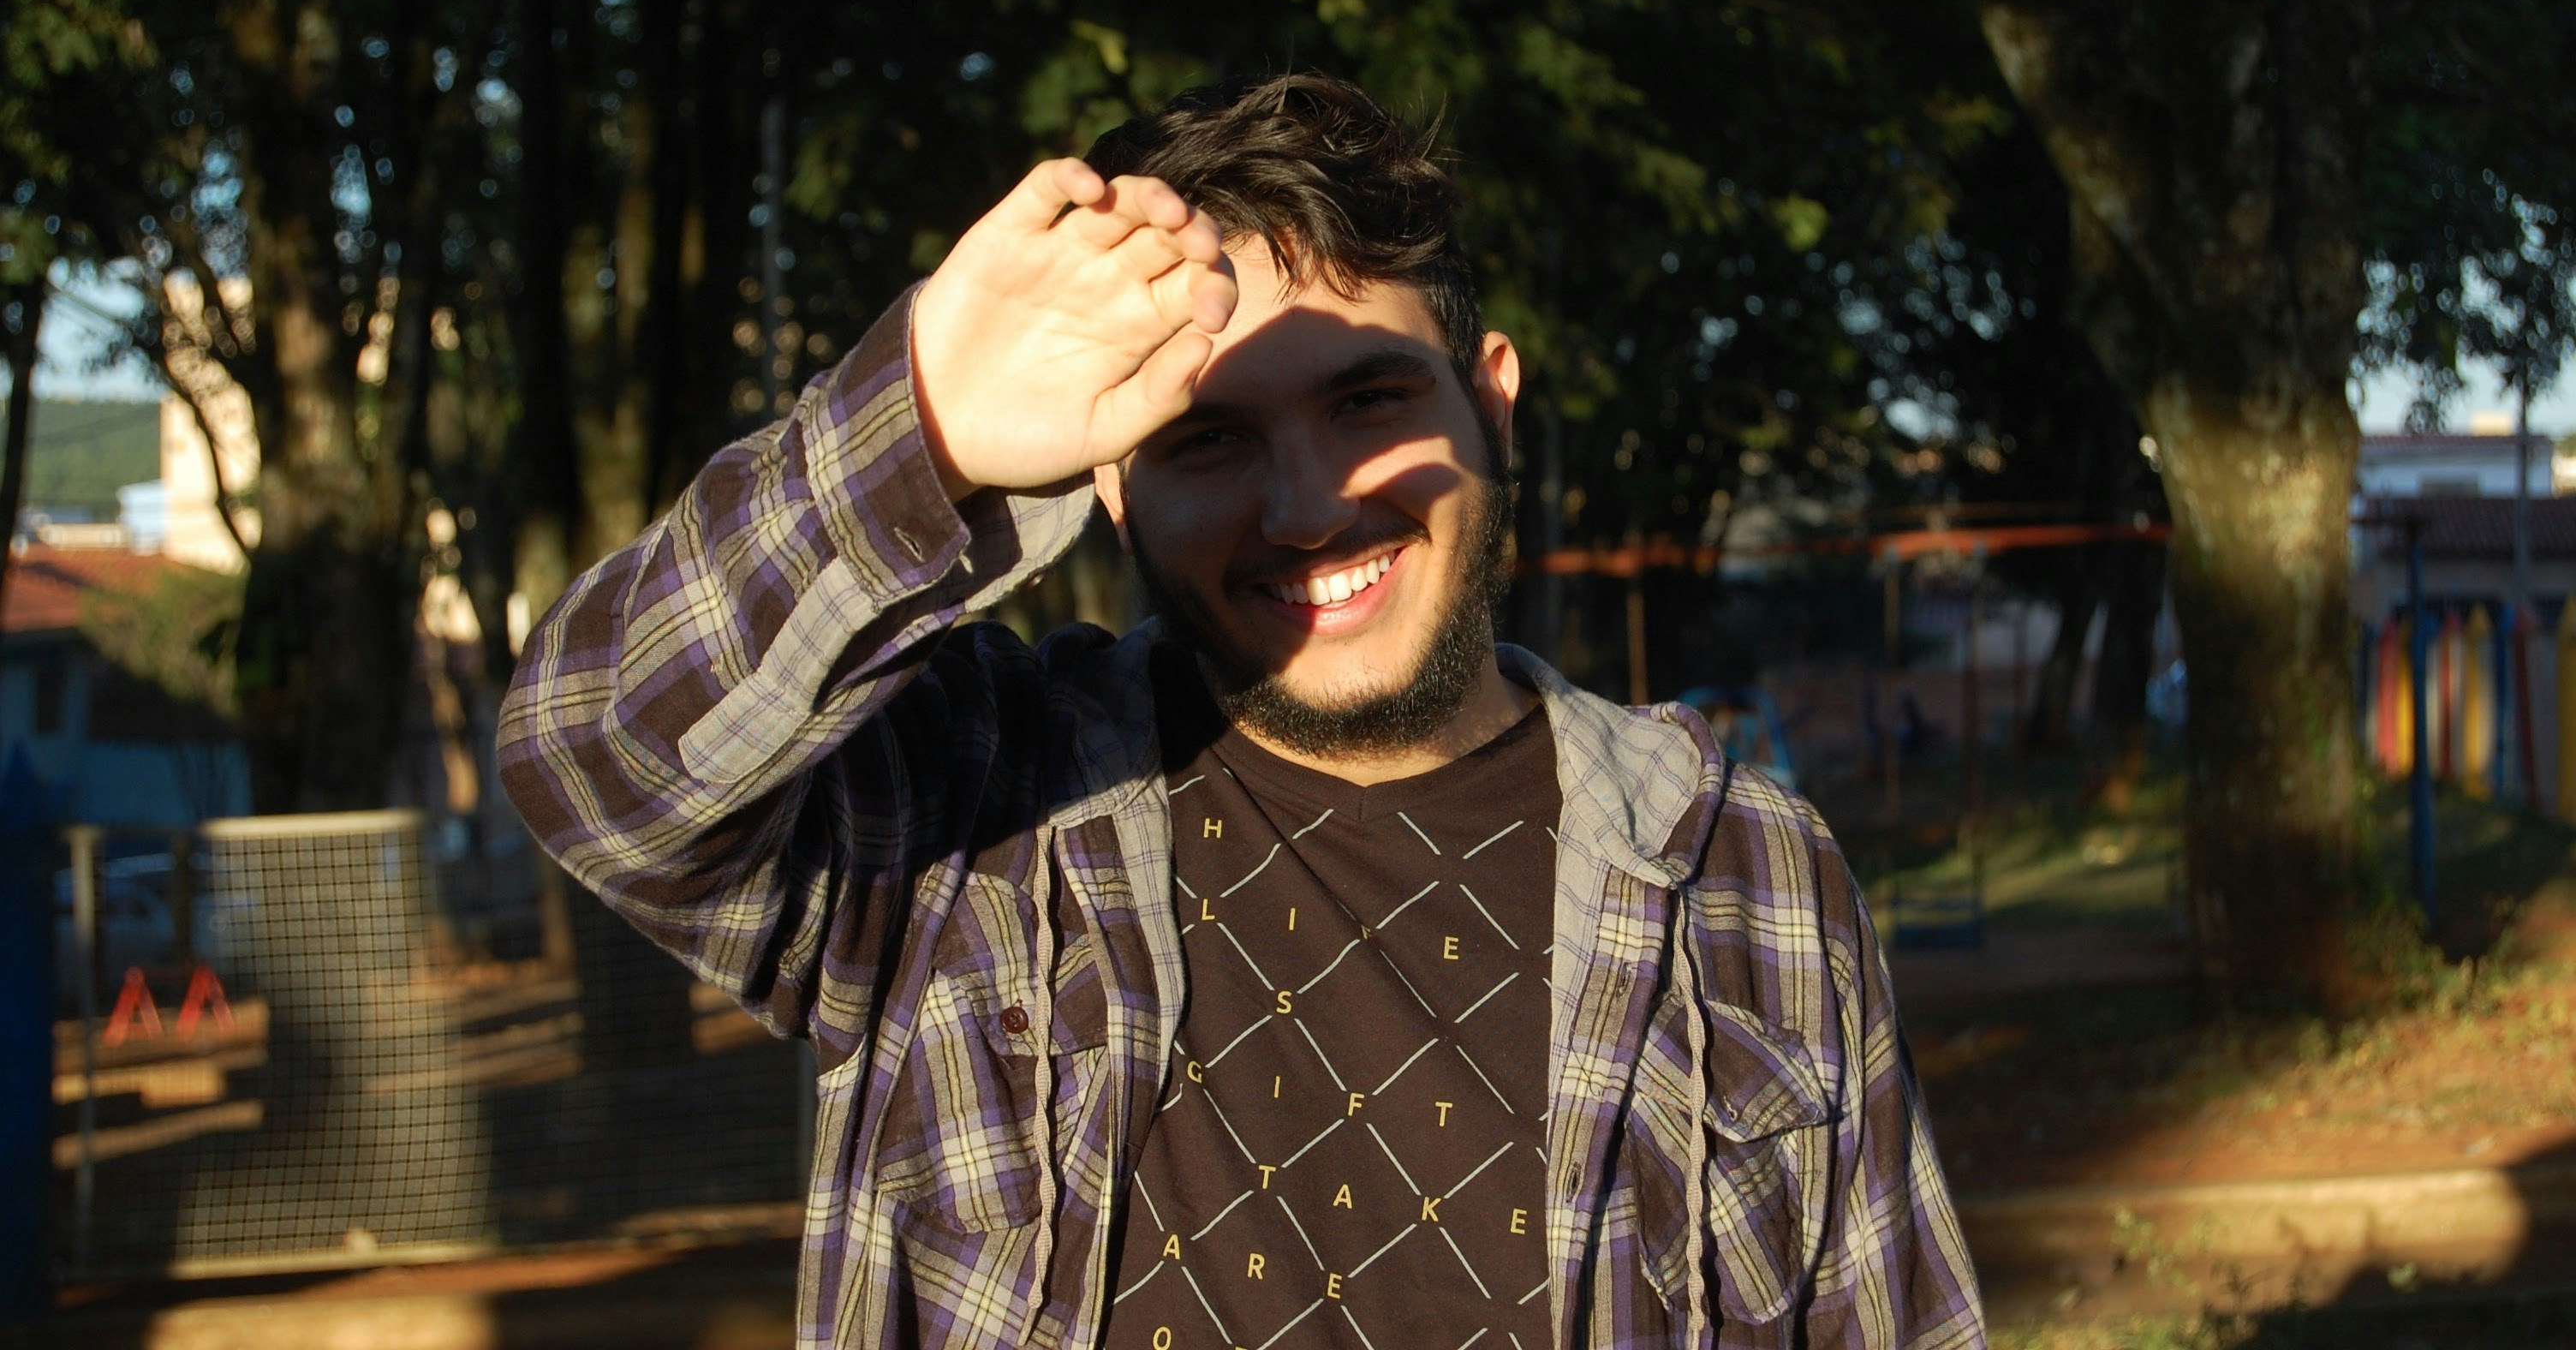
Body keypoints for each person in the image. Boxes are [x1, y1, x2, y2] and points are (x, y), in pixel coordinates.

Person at [499, 74, 1983, 1350]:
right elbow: (590, 756)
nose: (1307, 507)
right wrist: (923, 428)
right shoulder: (962, 813)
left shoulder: (1748, 871)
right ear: (1107, 477)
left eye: (1368, 401)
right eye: (1208, 438)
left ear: (1491, 400)